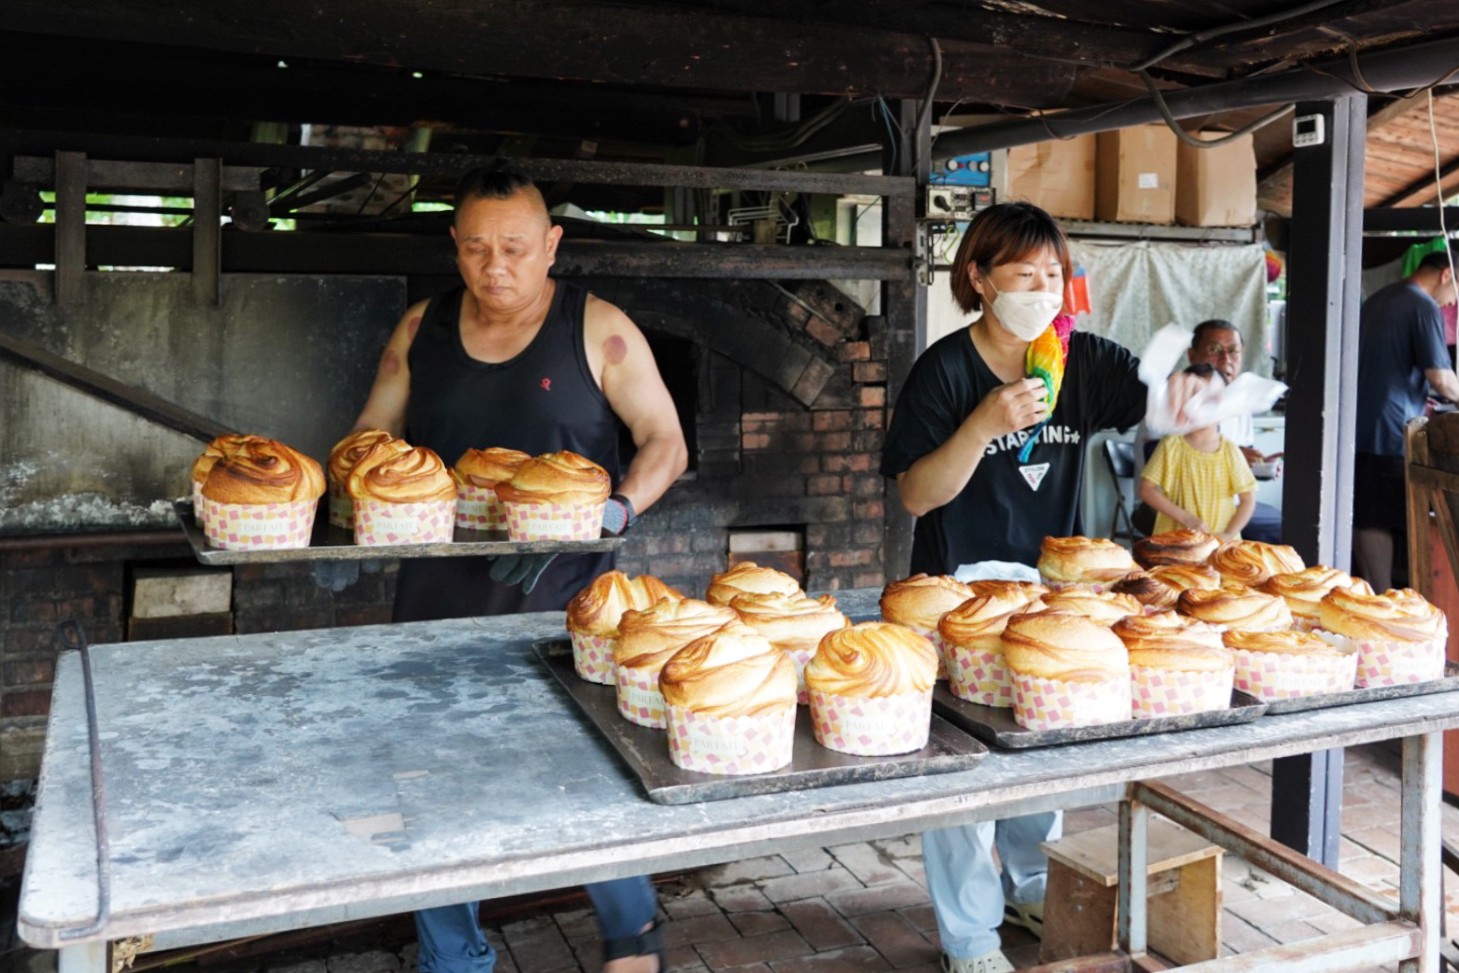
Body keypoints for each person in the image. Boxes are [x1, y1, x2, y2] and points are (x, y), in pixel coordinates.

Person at [352, 162, 688, 973]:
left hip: (562, 605)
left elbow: (665, 443)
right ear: (454, 247)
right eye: (475, 249)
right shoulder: (419, 329)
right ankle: (451, 957)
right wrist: (356, 495)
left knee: (585, 771)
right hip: (434, 600)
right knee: (432, 777)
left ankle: (630, 938)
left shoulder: (597, 328)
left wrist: (617, 509)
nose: (493, 267)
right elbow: (366, 439)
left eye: (513, 247)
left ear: (551, 245)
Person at [881, 201, 1201, 973]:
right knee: (958, 773)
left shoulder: (1078, 358)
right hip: (956, 594)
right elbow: (915, 495)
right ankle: (968, 936)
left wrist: (1187, 396)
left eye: (1052, 273)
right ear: (978, 279)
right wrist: (983, 424)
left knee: (1042, 754)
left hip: (1047, 593)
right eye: (1022, 273)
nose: (1040, 287)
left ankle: (1030, 884)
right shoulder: (946, 369)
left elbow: (1156, 401)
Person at [1353, 250, 1459, 591]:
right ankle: (1383, 596)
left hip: (1360, 424)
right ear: (1446, 275)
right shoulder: (1422, 304)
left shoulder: (1380, 297)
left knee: (1366, 513)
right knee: (1378, 516)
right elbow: (1441, 378)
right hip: (1388, 428)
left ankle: (1374, 593)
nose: (1452, 301)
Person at [1132, 319, 1282, 542]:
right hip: (1172, 510)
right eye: (1214, 349)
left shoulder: (1239, 410)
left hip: (1223, 511)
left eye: (1234, 351)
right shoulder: (1170, 403)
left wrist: (1260, 465)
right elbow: (1155, 479)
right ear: (1192, 354)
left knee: (1280, 526)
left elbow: (1244, 479)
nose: (1225, 359)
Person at [1137, 363, 1257, 541]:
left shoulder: (1230, 451)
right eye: (1195, 397)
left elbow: (1248, 500)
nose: (1202, 408)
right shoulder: (1171, 446)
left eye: (1212, 399)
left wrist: (1228, 534)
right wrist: (1186, 518)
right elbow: (1147, 490)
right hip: (1176, 541)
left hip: (1220, 546)